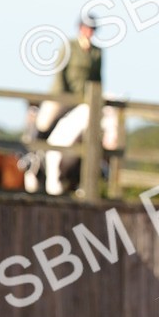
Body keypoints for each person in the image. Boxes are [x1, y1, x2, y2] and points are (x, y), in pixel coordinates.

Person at [27, 13, 104, 196]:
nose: (89, 32)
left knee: (98, 127)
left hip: (86, 100)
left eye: (92, 29)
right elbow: (60, 74)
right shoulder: (69, 46)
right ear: (81, 28)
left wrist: (96, 100)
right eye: (87, 28)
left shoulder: (97, 52)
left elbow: (98, 78)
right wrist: (64, 99)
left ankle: (100, 167)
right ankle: (33, 158)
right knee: (44, 121)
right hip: (63, 96)